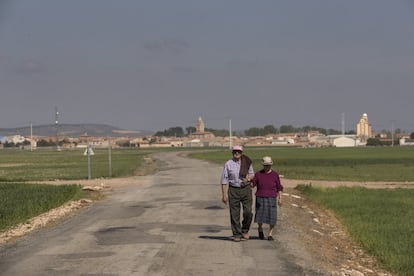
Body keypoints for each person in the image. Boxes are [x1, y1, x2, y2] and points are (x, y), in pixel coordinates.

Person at [220, 145, 254, 242]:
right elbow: (224, 180)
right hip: (233, 190)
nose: (236, 153)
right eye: (235, 151)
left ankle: (245, 230)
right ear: (232, 153)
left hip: (245, 189)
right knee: (234, 214)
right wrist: (224, 194)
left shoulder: (247, 162)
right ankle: (237, 234)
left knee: (248, 212)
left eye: (238, 151)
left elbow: (252, 174)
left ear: (241, 153)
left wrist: (247, 179)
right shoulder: (228, 164)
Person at [251, 156, 283, 241]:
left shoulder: (275, 174)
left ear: (271, 165)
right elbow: (252, 184)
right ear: (263, 165)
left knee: (272, 216)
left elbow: (279, 187)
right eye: (265, 165)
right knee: (260, 215)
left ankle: (270, 234)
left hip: (272, 197)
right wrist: (248, 180)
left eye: (268, 165)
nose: (267, 166)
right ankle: (260, 228)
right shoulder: (258, 174)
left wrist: (280, 198)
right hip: (260, 197)